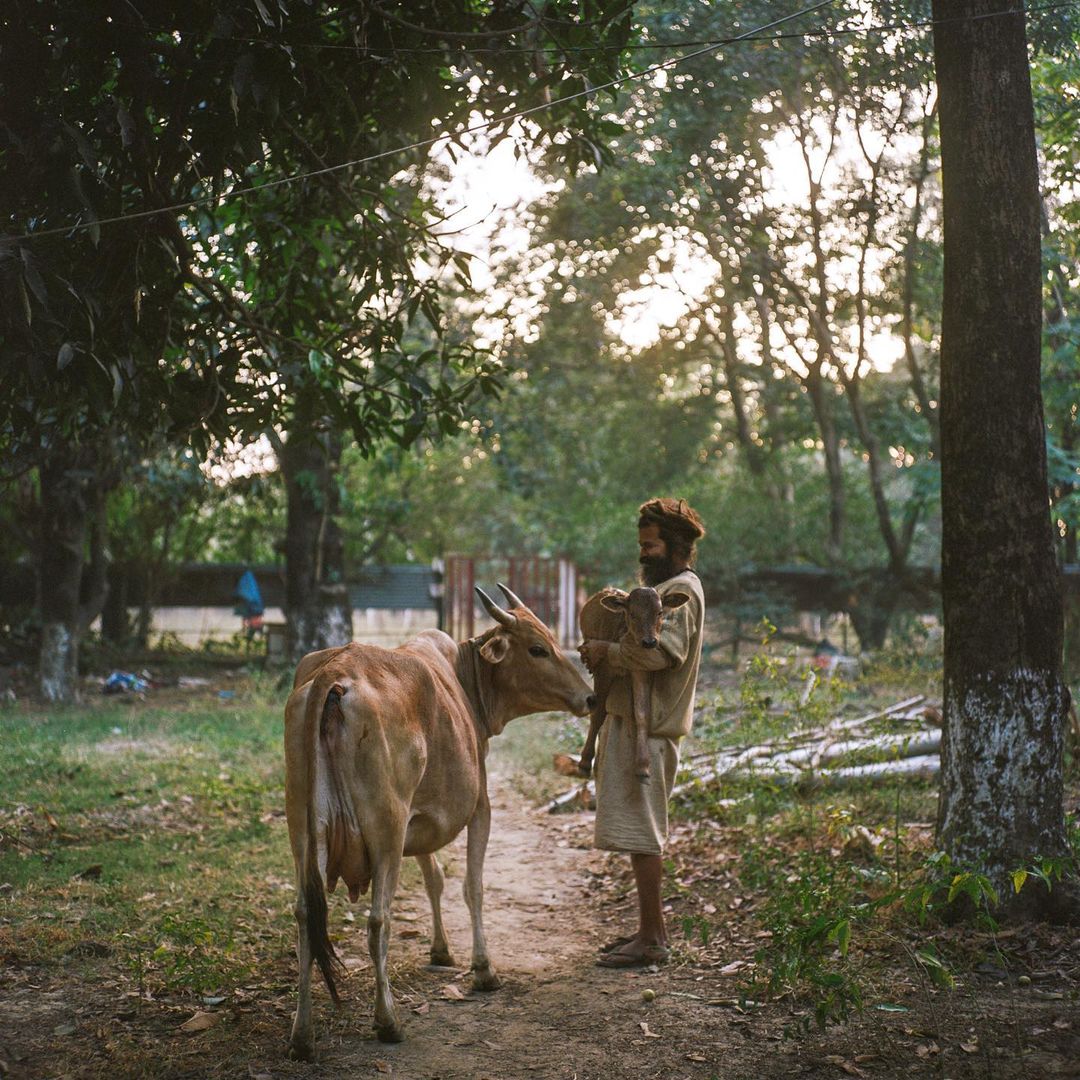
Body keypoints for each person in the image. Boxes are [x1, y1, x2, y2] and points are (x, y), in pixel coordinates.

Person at [579, 497, 706, 968]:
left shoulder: (682, 592)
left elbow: (656, 654)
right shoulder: (662, 588)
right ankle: (647, 931)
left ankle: (653, 939)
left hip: (648, 734)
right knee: (636, 832)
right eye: (641, 546)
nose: (644, 554)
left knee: (644, 834)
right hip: (630, 723)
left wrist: (604, 650)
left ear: (675, 546)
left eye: (651, 546)